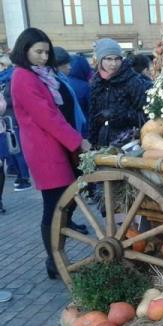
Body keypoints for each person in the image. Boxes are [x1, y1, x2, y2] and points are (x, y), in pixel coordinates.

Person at [9, 28, 91, 278]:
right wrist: (78, 141)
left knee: (62, 203)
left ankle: (56, 258)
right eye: (38, 52)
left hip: (56, 145)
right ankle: (54, 260)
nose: (44, 57)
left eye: (47, 52)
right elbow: (48, 117)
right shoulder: (23, 77)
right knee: (54, 205)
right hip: (45, 149)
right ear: (24, 51)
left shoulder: (41, 74)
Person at [89, 38, 148, 147]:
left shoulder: (133, 82)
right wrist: (93, 144)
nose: (114, 64)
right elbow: (93, 119)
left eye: (117, 59)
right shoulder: (96, 83)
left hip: (129, 145)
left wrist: (118, 115)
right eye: (109, 59)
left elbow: (146, 115)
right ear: (100, 60)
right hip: (103, 145)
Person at [0, 54, 32, 191]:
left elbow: (17, 100)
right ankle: (20, 176)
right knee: (13, 150)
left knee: (17, 150)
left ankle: (25, 178)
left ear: (5, 65)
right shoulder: (7, 79)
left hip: (13, 119)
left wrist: (4, 103)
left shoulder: (12, 78)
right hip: (9, 119)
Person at [68, 54, 93, 134]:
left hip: (67, 127)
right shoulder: (85, 87)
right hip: (83, 126)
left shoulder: (62, 82)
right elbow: (92, 108)